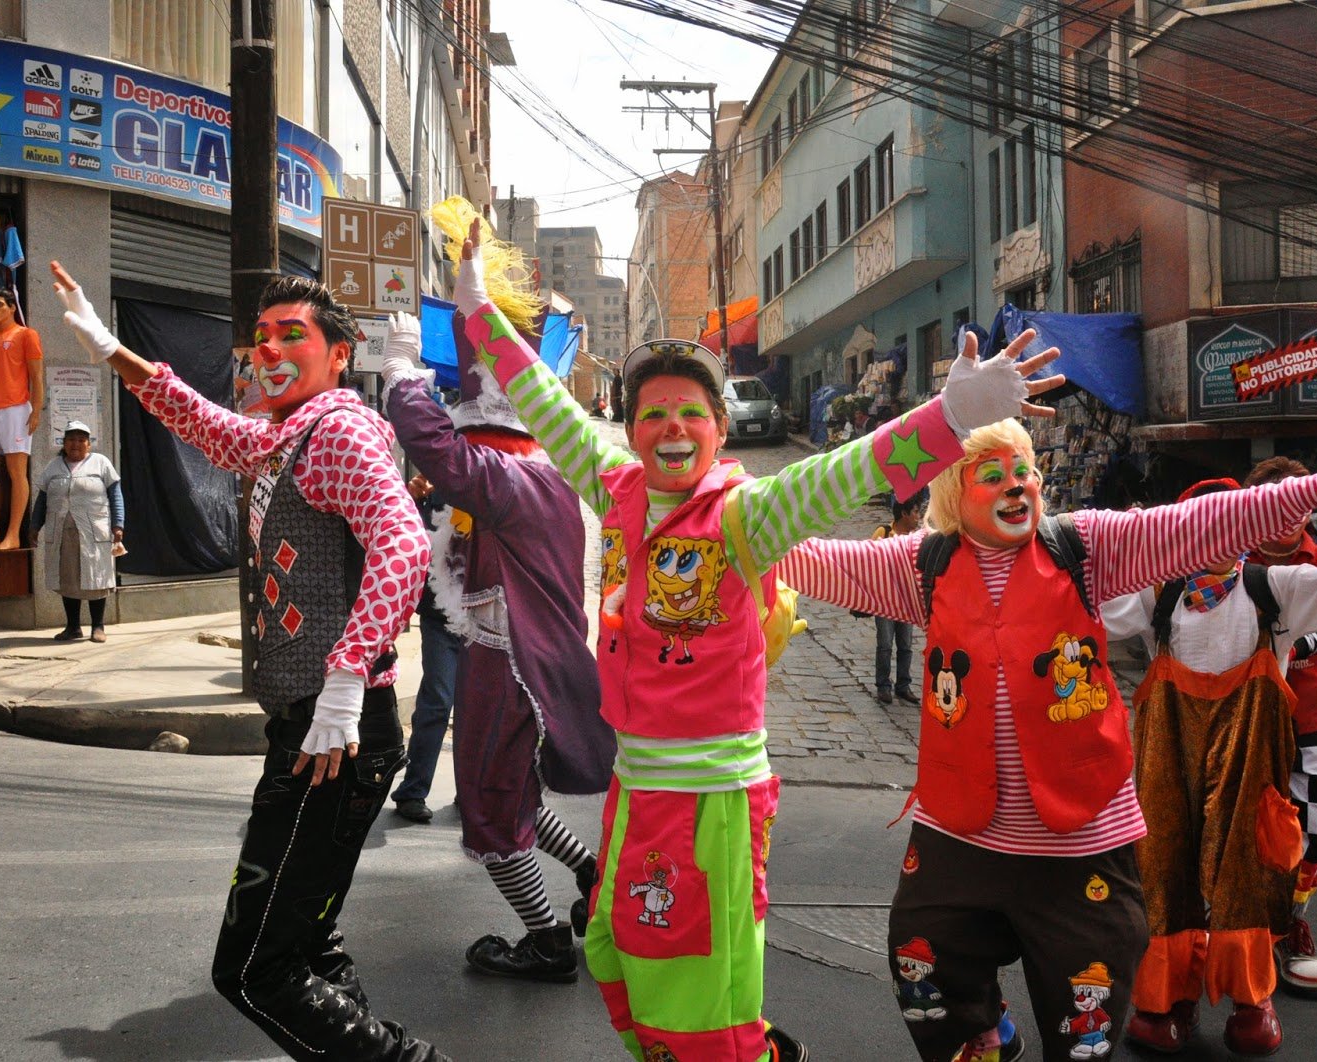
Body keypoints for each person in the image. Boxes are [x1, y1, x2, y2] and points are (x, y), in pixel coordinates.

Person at [454, 216, 1062, 1061]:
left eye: (691, 414)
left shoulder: (748, 515)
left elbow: (847, 471)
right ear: (629, 428)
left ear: (718, 425)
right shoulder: (618, 489)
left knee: (699, 996)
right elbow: (544, 402)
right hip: (634, 792)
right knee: (621, 958)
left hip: (713, 802)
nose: (672, 429)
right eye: (654, 413)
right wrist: (479, 310)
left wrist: (954, 413)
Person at [770, 418, 1317, 1062]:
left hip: (1080, 831)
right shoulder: (923, 565)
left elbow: (1189, 526)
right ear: (954, 493)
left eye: (1025, 472)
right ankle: (985, 1034)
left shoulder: (1084, 548)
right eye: (994, 475)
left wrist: (1313, 489)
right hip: (957, 826)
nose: (1017, 488)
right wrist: (728, 526)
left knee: (1088, 1009)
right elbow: (815, 559)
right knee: (922, 961)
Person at [51, 261, 446, 1062]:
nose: (268, 351)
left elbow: (405, 545)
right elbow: (200, 422)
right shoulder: (281, 436)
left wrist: (345, 677)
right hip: (318, 728)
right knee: (306, 943)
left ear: (340, 354)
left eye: (290, 335)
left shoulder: (338, 428)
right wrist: (109, 348)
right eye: (259, 339)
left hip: (333, 734)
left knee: (255, 971)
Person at [1102, 469, 1317, 1056]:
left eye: (1226, 526)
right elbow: (1078, 603)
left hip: (1250, 765)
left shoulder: (1272, 589)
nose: (1213, 539)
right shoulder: (1155, 595)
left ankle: (1250, 1001)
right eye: (1197, 529)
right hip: (1166, 768)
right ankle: (1164, 1002)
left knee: (1249, 873)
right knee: (1162, 870)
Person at [380, 203, 615, 986]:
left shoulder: (511, 476)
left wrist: (406, 371)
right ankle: (593, 880)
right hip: (518, 656)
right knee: (512, 794)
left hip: (509, 662)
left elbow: (438, 452)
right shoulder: (546, 470)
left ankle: (547, 939)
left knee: (486, 807)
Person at [1242, 456, 1317, 996]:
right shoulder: (1231, 563)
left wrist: (1272, 643)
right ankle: (1233, 921)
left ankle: (1288, 924)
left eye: (1297, 498)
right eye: (1274, 500)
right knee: (1230, 823)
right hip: (1243, 720)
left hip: (1310, 719)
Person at [388, 473, 462, 824]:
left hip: (487, 618)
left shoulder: (496, 483)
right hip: (440, 616)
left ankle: (472, 792)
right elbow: (410, 537)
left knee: (476, 709)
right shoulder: (434, 491)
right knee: (437, 699)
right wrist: (414, 498)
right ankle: (413, 790)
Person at [29, 420, 124, 643]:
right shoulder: (53, 467)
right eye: (71, 439)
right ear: (64, 443)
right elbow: (42, 500)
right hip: (62, 532)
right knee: (67, 579)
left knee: (95, 579)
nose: (76, 444)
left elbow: (116, 495)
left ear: (89, 444)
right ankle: (72, 627)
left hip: (93, 533)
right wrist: (35, 526)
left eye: (81, 440)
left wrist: (118, 525)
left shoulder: (101, 463)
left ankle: (98, 627)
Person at [0, 289, 44, 551]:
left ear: (12, 308)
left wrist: (36, 410)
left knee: (16, 472)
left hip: (16, 409)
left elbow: (37, 377)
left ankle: (13, 534)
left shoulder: (27, 335)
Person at [872, 492, 924, 704]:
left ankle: (903, 685)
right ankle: (883, 685)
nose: (918, 516)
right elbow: (869, 561)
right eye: (915, 512)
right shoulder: (883, 533)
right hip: (885, 600)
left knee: (906, 645)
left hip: (907, 600)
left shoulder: (918, 538)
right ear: (904, 513)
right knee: (885, 644)